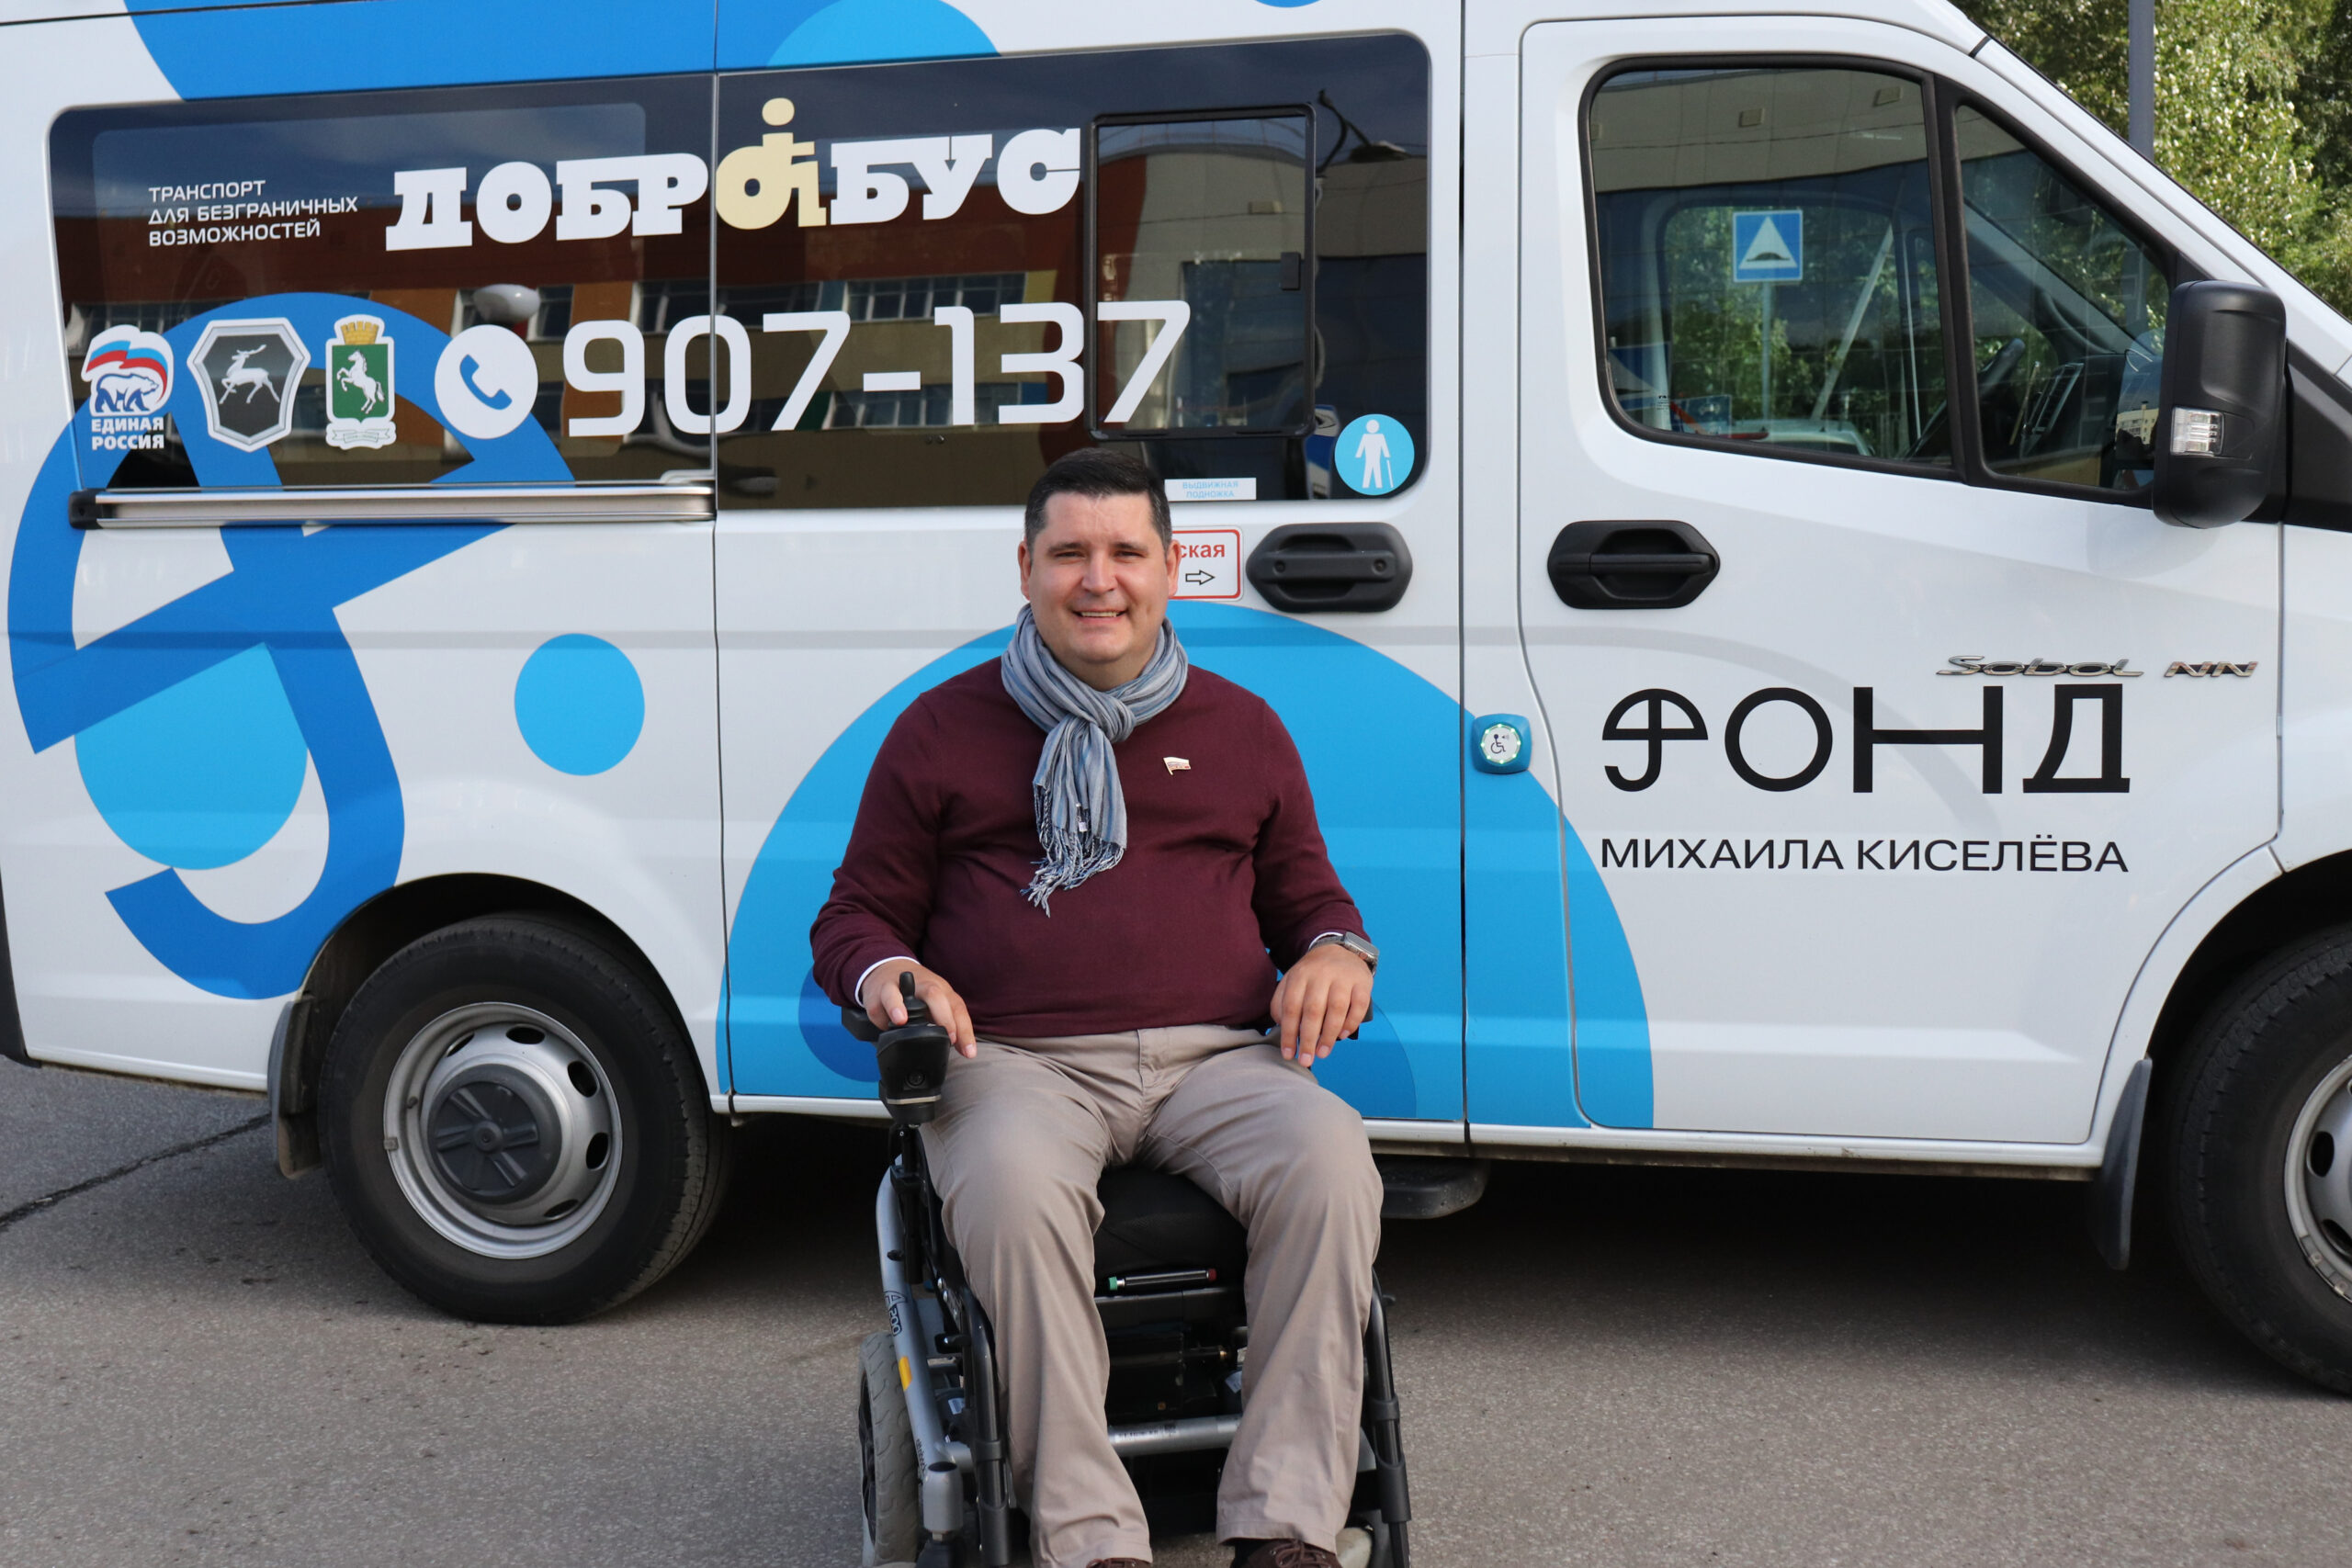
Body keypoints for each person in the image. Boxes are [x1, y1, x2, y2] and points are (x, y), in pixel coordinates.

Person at [811, 448, 1385, 1568]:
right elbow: (855, 916)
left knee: (1331, 1160)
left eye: (1125, 552)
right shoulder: (940, 729)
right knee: (1015, 1192)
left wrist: (1335, 951)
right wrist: (888, 975)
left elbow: (1311, 901)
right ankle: (1089, 1538)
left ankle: (1284, 1525)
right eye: (1069, 553)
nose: (1098, 579)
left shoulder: (1243, 728)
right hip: (1015, 1062)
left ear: (1171, 568)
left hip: (1216, 1062)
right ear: (1026, 568)